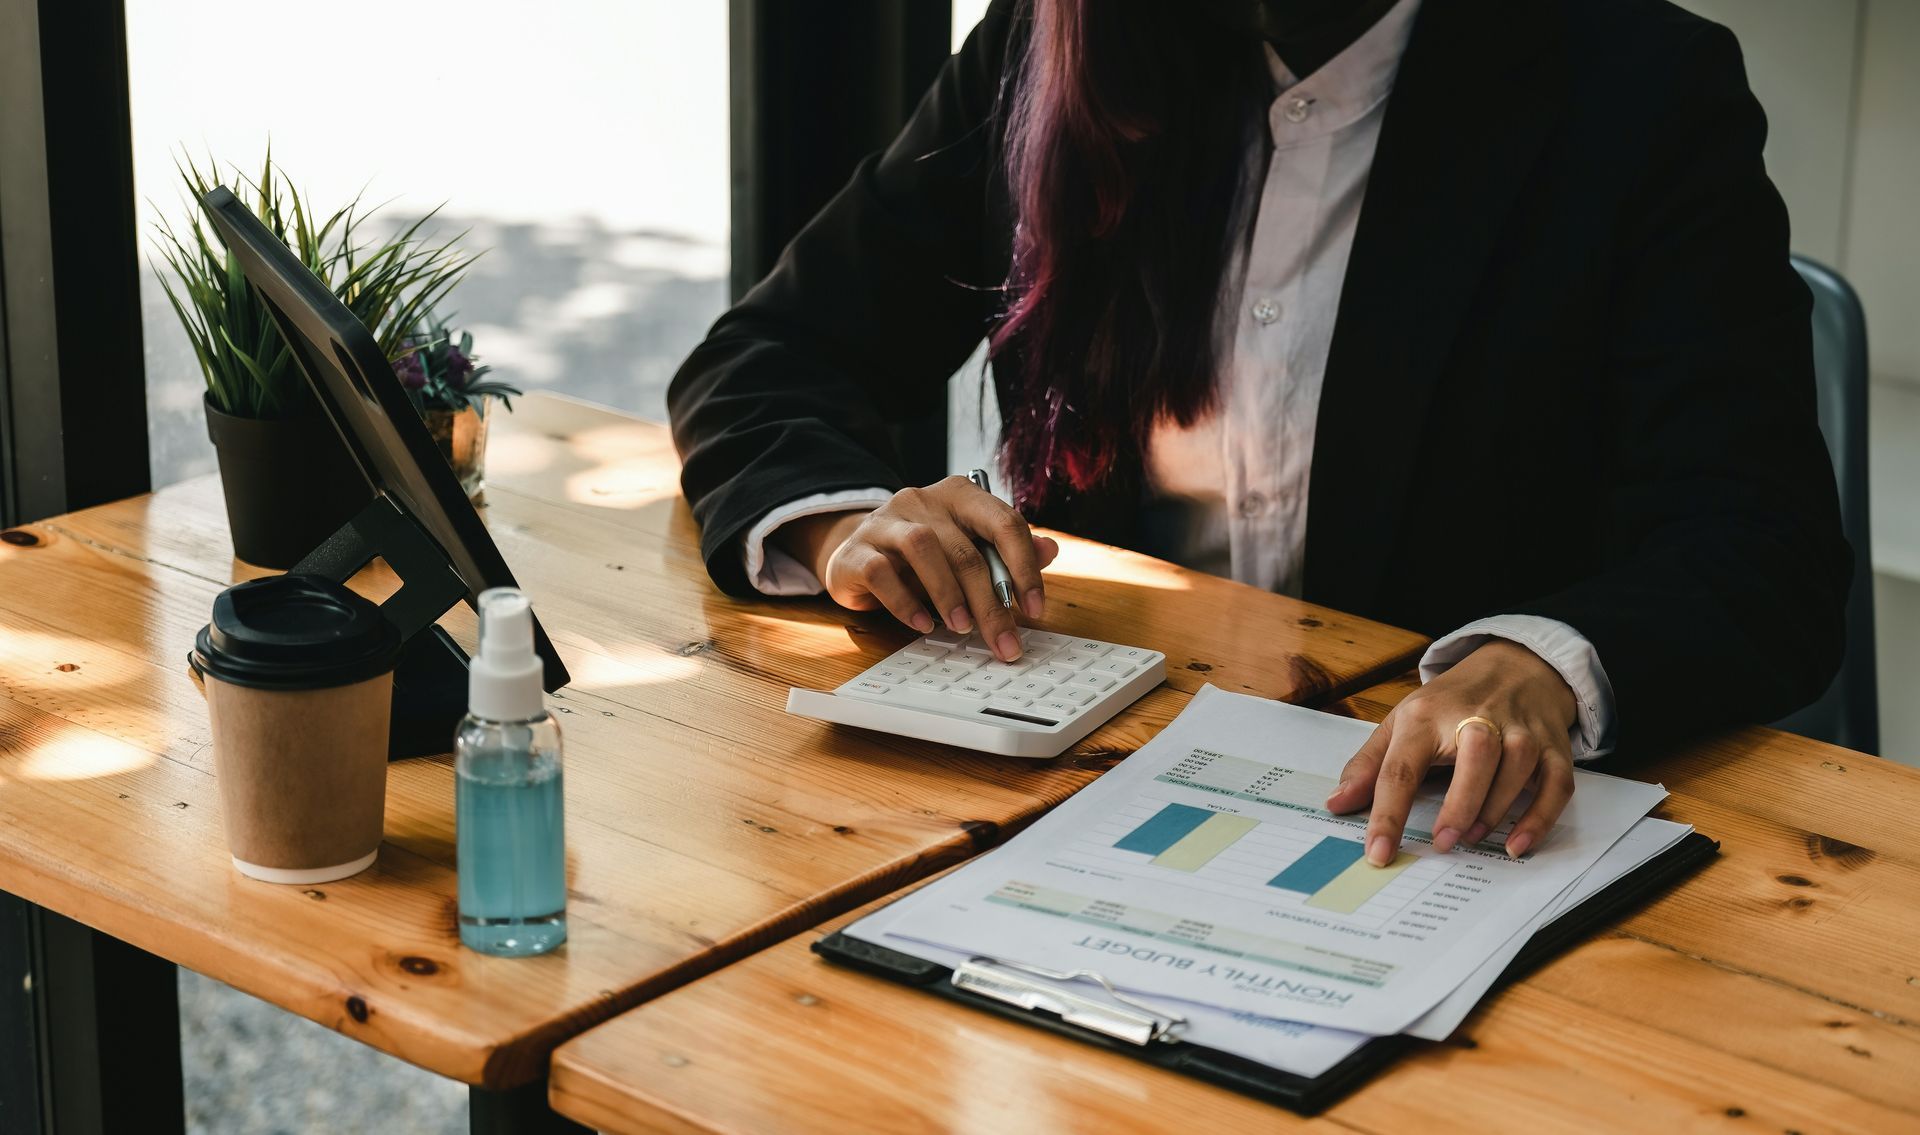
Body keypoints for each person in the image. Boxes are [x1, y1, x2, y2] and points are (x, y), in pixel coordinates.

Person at [668, 0, 1850, 867]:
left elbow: (1761, 550)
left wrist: (1545, 659)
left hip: (1452, 833)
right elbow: (766, 356)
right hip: (1090, 798)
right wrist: (844, 523)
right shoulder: (1060, 44)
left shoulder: (1638, 88)